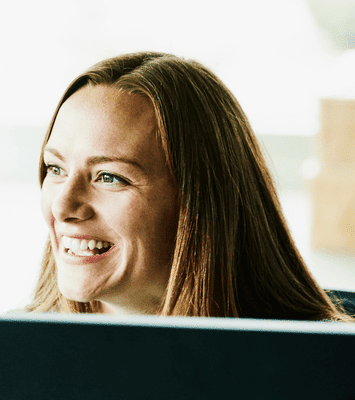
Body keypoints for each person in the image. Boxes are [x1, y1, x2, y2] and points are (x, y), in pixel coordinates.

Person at [26, 51, 353, 321]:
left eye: (110, 177)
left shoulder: (330, 370)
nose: (62, 206)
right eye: (56, 168)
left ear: (200, 202)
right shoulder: (6, 359)